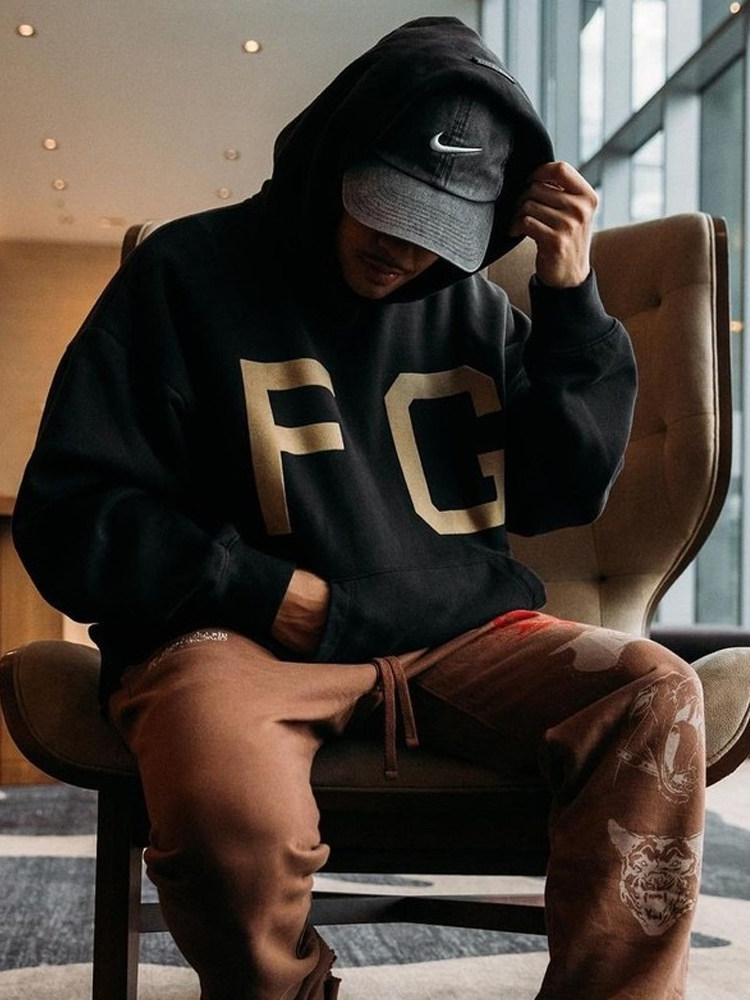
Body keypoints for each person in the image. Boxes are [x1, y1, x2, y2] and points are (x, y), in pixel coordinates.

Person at [13, 16, 705, 1000]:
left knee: (654, 694)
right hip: (241, 638)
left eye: (437, 227)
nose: (402, 249)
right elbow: (71, 514)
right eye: (385, 207)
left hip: (460, 636)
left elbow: (565, 490)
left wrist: (569, 297)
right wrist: (269, 592)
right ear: (331, 156)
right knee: (223, 816)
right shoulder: (185, 275)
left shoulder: (480, 309)